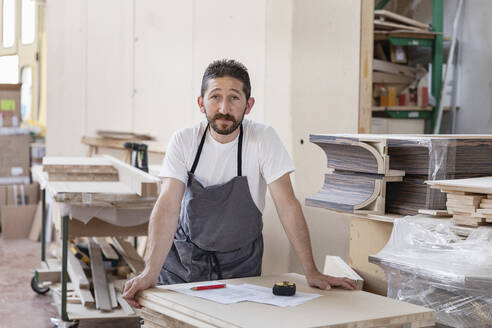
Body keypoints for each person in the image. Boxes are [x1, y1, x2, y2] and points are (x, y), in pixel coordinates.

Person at [123, 59, 357, 308]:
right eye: (215, 97)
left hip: (241, 266)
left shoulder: (262, 139)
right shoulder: (184, 140)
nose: (224, 108)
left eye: (234, 98)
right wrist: (150, 271)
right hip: (184, 262)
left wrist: (311, 271)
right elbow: (168, 205)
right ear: (201, 103)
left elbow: (287, 206)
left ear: (249, 104)